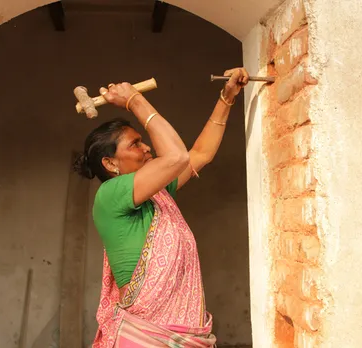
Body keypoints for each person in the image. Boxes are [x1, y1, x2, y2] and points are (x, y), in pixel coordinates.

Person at [74, 67, 249, 348]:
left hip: (180, 336)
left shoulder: (156, 194)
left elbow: (199, 154)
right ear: (110, 164)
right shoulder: (110, 195)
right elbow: (177, 156)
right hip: (145, 337)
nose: (146, 148)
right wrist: (134, 100)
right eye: (135, 144)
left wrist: (226, 97)